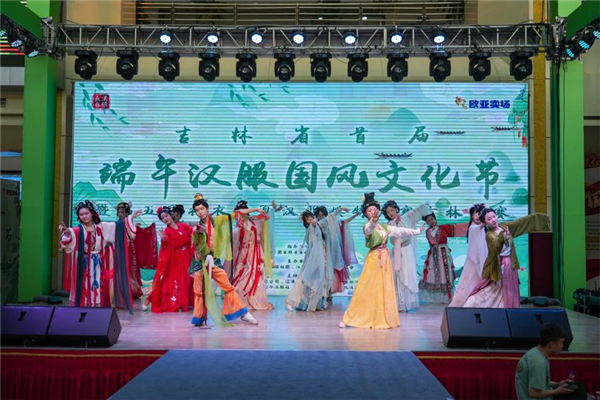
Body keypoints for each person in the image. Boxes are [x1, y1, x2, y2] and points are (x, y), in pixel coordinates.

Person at [340, 193, 425, 329]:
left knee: (384, 288)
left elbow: (399, 231)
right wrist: (372, 222)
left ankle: (382, 315)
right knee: (367, 287)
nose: (373, 212)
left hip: (385, 259)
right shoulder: (367, 226)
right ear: (366, 214)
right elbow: (369, 229)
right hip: (374, 259)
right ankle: (351, 317)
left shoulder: (384, 227)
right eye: (369, 211)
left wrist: (416, 231)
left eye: (374, 209)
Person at [60, 200, 142, 311]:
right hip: (84, 264)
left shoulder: (102, 227)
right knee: (85, 285)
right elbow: (70, 235)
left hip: (98, 263)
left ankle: (97, 307)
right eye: (81, 214)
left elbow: (118, 226)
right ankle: (84, 308)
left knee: (97, 284)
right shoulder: (78, 229)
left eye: (86, 213)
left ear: (92, 213)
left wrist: (131, 218)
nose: (84, 216)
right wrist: (67, 233)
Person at [190, 194, 258, 327]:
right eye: (197, 210)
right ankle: (199, 318)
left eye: (202, 209)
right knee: (199, 292)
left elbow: (236, 214)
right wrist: (197, 233)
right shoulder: (197, 228)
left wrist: (255, 209)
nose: (200, 212)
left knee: (228, 286)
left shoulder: (217, 221)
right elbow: (195, 247)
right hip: (201, 262)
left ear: (207, 209)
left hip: (214, 260)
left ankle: (243, 313)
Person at [464, 209, 551, 308]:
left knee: (510, 289)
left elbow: (519, 223)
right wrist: (503, 236)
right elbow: (496, 248)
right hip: (500, 264)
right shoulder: (489, 235)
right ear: (485, 222)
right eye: (489, 219)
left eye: (494, 216)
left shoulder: (504, 226)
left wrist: (539, 218)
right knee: (500, 290)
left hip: (510, 262)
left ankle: (510, 308)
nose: (493, 220)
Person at [382, 200, 431, 312]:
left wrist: (425, 206)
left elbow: (416, 212)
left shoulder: (406, 217)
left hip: (406, 250)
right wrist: (395, 223)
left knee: (406, 275)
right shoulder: (389, 224)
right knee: (397, 276)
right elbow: (392, 234)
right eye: (388, 212)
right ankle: (398, 303)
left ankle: (406, 303)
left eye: (392, 210)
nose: (390, 213)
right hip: (396, 252)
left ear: (396, 209)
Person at [515, 323, 586, 399]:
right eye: (561, 343)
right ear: (551, 344)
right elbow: (533, 393)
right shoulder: (538, 362)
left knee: (578, 386)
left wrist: (557, 384)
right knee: (578, 393)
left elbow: (539, 381)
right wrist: (557, 391)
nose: (562, 346)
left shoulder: (534, 352)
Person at [144, 206, 194, 313]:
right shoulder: (167, 231)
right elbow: (166, 242)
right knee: (169, 282)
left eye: (166, 216)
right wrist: (163, 239)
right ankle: (150, 299)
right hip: (175, 259)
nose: (165, 219)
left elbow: (192, 233)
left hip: (186, 257)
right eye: (162, 218)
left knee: (186, 281)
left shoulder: (183, 226)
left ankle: (184, 302)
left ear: (171, 215)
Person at [231, 200, 274, 311]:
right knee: (243, 275)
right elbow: (238, 212)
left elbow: (262, 238)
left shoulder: (255, 221)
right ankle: (243, 301)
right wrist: (256, 209)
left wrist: (267, 257)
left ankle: (256, 299)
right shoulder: (240, 222)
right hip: (244, 253)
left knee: (256, 276)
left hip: (256, 252)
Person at [284, 210, 329, 312]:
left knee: (317, 280)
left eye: (310, 217)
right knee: (304, 279)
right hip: (313, 258)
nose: (310, 219)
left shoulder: (317, 227)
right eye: (307, 219)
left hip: (320, 258)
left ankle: (313, 304)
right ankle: (290, 300)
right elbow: (313, 245)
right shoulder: (311, 228)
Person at [420, 212, 469, 304]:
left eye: (432, 219)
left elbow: (457, 228)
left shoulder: (443, 228)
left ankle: (445, 297)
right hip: (433, 254)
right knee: (432, 273)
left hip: (443, 253)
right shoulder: (427, 232)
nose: (431, 221)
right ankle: (434, 298)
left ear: (435, 219)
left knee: (444, 273)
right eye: (428, 221)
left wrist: (471, 225)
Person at [314, 206, 360, 296]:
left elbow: (344, 222)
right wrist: (341, 209)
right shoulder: (317, 224)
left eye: (322, 215)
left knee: (332, 271)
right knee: (323, 272)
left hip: (331, 251)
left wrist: (353, 216)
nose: (321, 217)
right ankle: (323, 293)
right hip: (322, 251)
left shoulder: (331, 223)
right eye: (319, 216)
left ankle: (329, 293)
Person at [449, 203, 487, 307]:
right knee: (469, 283)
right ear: (471, 215)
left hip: (481, 260)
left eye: (480, 213)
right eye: (476, 213)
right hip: (473, 261)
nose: (478, 216)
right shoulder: (473, 228)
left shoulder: (483, 229)